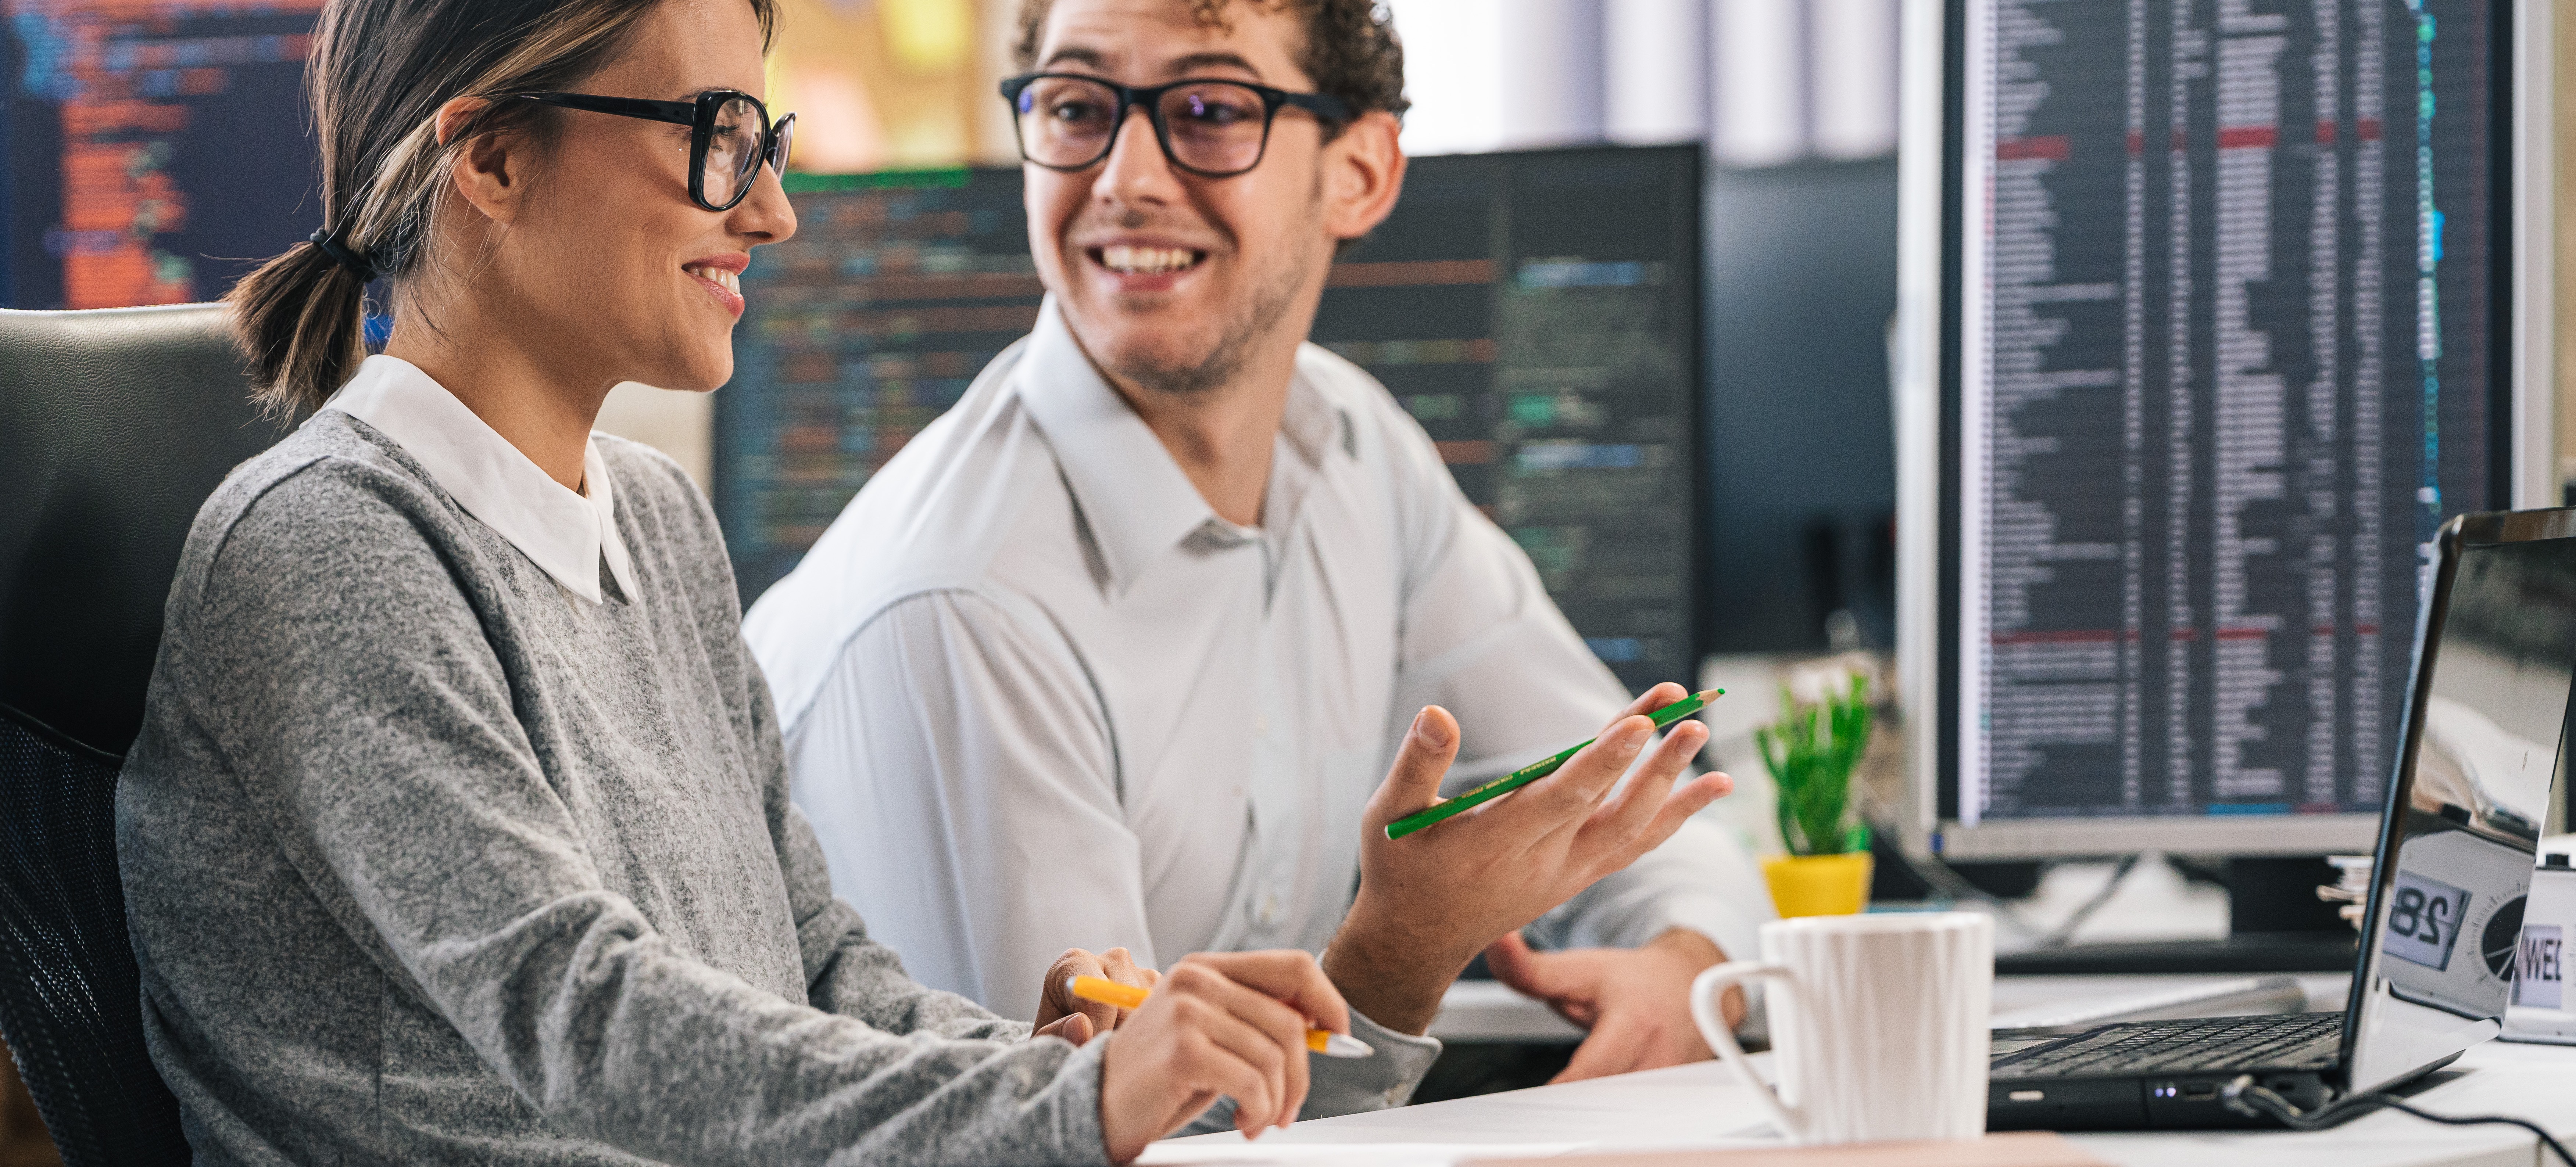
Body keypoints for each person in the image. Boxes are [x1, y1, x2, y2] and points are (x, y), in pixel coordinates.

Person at [112, 0, 1392, 1159]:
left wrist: (1035, 1059)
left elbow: (820, 972)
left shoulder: (659, 526)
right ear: (493, 157)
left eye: (763, 141)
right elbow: (586, 1019)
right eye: (716, 137)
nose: (772, 210)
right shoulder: (328, 546)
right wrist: (1054, 1116)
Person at [741, 0, 1772, 1096]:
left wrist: (1684, 969)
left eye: (1209, 109)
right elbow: (1079, 1137)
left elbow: (1636, 794)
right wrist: (1398, 954)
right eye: (1080, 108)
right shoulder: (961, 604)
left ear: (1360, 174)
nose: (1125, 179)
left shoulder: (1352, 449)